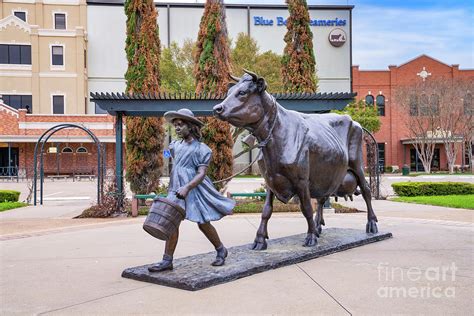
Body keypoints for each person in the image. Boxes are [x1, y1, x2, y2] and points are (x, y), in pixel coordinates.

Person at [148, 108, 235, 272]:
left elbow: (201, 173)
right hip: (176, 189)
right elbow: (177, 163)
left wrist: (187, 187)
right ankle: (167, 260)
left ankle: (221, 249)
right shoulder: (175, 146)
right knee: (171, 222)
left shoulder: (202, 149)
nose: (177, 128)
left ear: (191, 126)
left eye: (181, 124)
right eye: (175, 125)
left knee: (203, 223)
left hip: (194, 189)